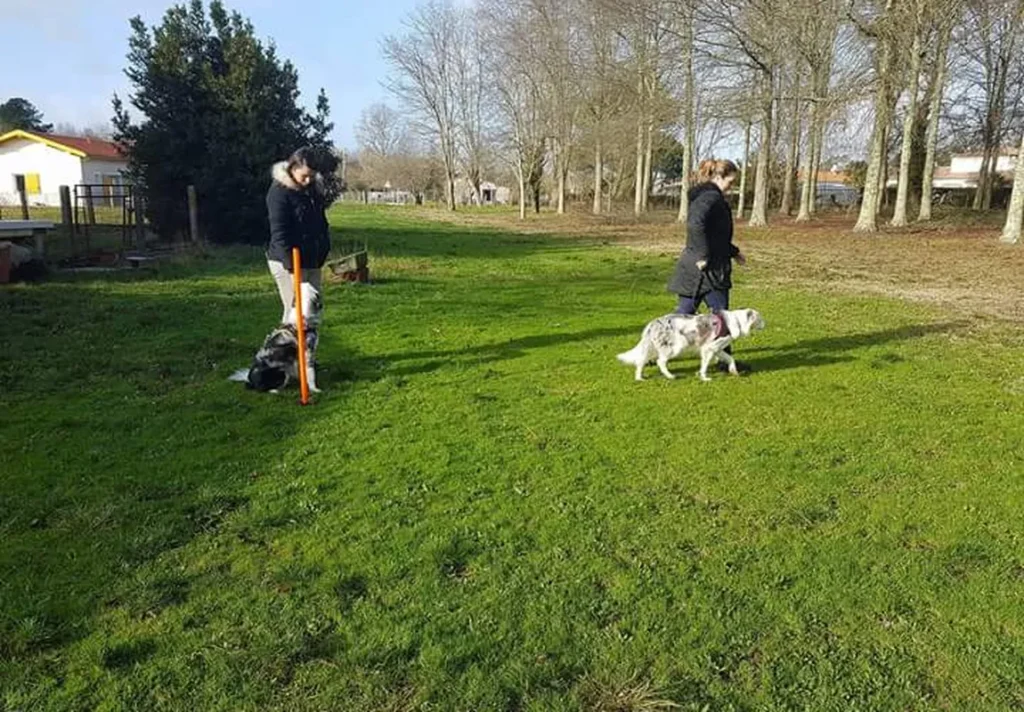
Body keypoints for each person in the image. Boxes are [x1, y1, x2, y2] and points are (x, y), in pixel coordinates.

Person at [666, 158, 750, 371]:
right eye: (730, 182)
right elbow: (695, 225)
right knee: (722, 317)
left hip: (702, 267)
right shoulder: (710, 197)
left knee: (685, 313)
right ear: (719, 176)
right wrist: (702, 255)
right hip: (708, 270)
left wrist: (734, 252)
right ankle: (725, 362)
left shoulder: (709, 196)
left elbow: (716, 235)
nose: (731, 187)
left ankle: (658, 349)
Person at [266, 146, 332, 322]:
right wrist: (291, 268)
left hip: (312, 260)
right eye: (304, 176)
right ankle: (286, 349)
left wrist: (324, 248)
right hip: (287, 261)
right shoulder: (279, 192)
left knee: (313, 312)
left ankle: (308, 349)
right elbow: (280, 233)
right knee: (296, 313)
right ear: (293, 168)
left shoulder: (313, 189)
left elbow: (320, 221)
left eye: (312, 175)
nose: (308, 179)